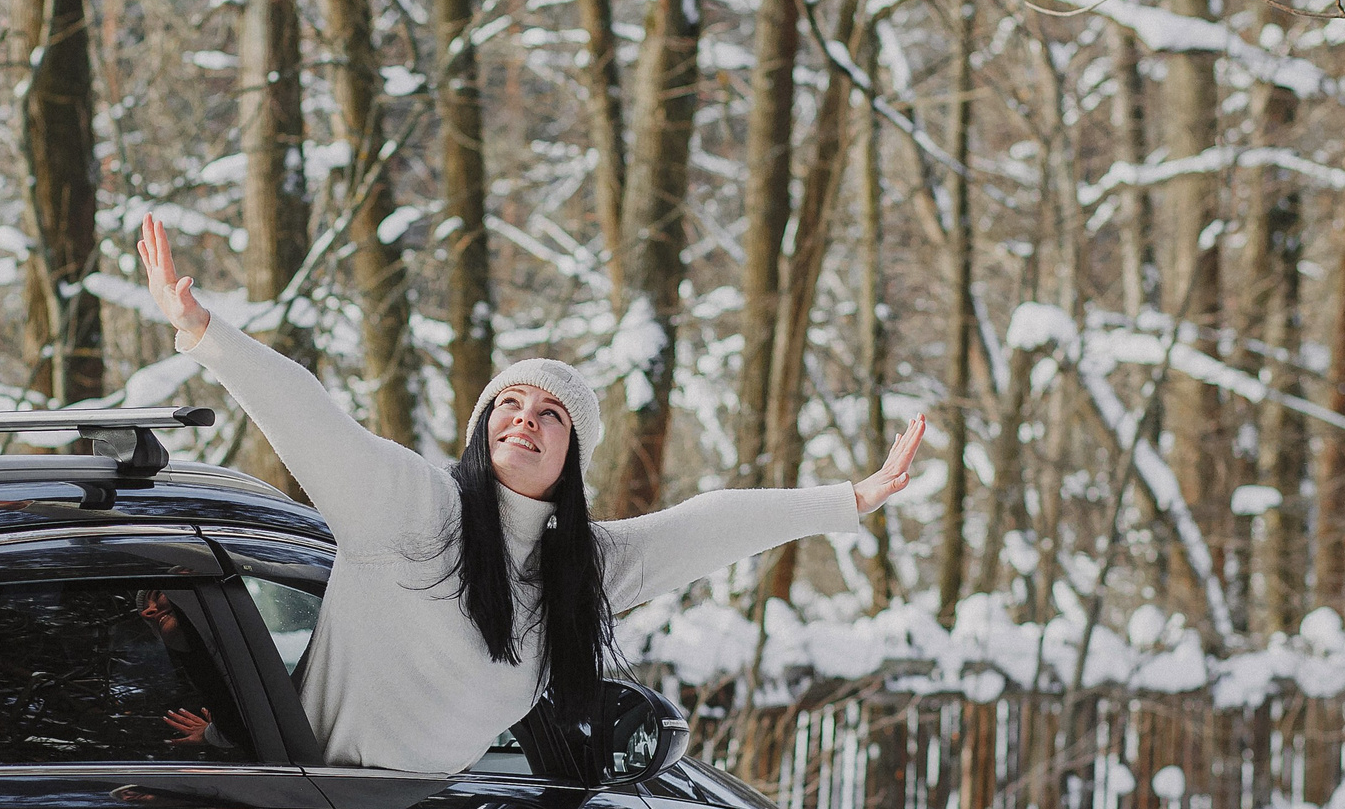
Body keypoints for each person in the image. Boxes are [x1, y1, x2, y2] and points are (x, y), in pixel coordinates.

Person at [137, 214, 926, 777]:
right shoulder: (413, 510)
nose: (525, 420)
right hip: (311, 807)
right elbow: (312, 417)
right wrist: (205, 332)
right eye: (508, 406)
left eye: (551, 416)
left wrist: (847, 499)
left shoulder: (581, 572)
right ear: (483, 428)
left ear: (570, 460)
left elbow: (706, 523)